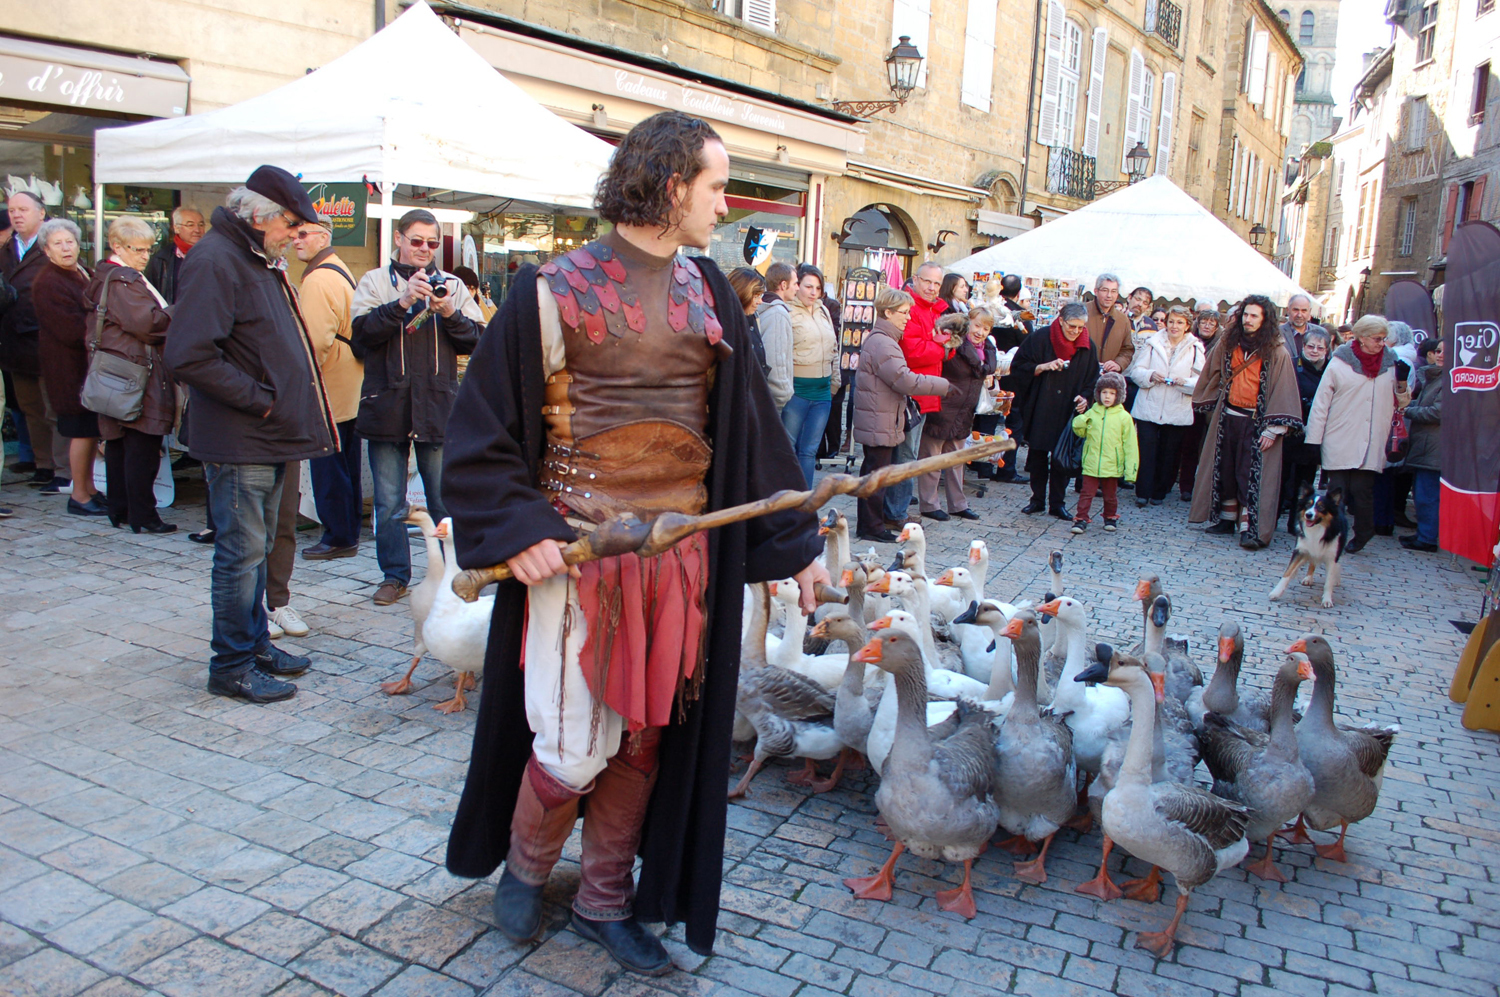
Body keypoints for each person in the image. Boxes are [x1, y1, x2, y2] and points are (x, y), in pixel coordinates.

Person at [440, 111, 825, 970]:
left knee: (647, 732)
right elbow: (479, 436)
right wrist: (522, 526)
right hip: (580, 561)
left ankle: (606, 900)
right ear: (670, 183)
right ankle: (526, 863)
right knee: (576, 743)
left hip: (681, 557)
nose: (725, 206)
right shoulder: (546, 290)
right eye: (718, 186)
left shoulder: (711, 291)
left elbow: (751, 432)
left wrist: (796, 549)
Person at [165, 166, 338, 705]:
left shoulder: (252, 256)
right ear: (261, 215)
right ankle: (232, 664)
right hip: (243, 438)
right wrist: (263, 401)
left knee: (259, 552)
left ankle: (256, 644)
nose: (295, 233)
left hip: (268, 436)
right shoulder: (216, 259)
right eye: (291, 223)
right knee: (241, 554)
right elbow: (189, 354)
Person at [352, 208, 484, 607]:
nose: (425, 249)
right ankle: (394, 576)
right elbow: (361, 337)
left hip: (437, 405)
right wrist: (403, 301)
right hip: (388, 404)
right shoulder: (375, 282)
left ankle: (454, 573)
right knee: (390, 501)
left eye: (431, 242)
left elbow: (478, 340)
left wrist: (450, 313)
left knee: (445, 498)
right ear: (398, 238)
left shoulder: (454, 286)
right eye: (417, 240)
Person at [1189, 294, 1304, 550]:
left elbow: (1283, 389)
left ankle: (1249, 528)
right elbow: (1212, 372)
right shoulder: (1228, 343)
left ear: (1265, 320)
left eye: (1254, 316)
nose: (1248, 320)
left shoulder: (1276, 350)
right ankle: (1226, 520)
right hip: (1228, 417)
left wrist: (1274, 428)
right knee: (1226, 471)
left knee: (1250, 476)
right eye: (1246, 315)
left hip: (1257, 422)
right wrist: (1208, 402)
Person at [85, 216, 175, 533]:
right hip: (133, 372)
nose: (145, 255)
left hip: (120, 372)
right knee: (141, 446)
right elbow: (149, 324)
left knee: (121, 444)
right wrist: (177, 309)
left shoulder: (113, 276)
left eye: (149, 249)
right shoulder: (122, 279)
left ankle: (122, 509)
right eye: (138, 249)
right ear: (118, 247)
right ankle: (143, 515)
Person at [1303, 314, 1412, 553]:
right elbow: (1322, 402)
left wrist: (1402, 383)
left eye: (1384, 339)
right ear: (1361, 338)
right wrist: (1314, 439)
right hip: (1339, 435)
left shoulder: (1392, 363)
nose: (1381, 343)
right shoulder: (1340, 361)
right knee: (1336, 491)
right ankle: (1333, 536)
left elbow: (1402, 403)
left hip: (1372, 437)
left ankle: (1363, 532)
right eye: (1376, 338)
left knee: (1363, 493)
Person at [852, 288, 951, 542]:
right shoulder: (884, 342)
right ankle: (871, 527)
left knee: (876, 472)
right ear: (888, 312)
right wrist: (942, 385)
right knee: (876, 475)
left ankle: (872, 524)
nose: (908, 318)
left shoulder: (884, 339)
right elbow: (904, 380)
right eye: (904, 313)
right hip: (879, 419)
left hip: (881, 417)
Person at [292, 216, 363, 563]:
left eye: (303, 234)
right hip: (347, 380)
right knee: (344, 462)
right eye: (294, 233)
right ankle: (345, 531)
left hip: (330, 382)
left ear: (323, 237)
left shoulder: (318, 279)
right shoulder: (337, 268)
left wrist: (300, 383)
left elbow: (313, 343)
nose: (296, 240)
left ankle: (338, 534)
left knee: (328, 464)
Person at [32, 218, 105, 515]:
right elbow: (69, 330)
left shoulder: (82, 271)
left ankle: (89, 488)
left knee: (88, 428)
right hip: (68, 367)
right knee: (80, 430)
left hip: (84, 366)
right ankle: (79, 495)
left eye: (70, 242)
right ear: (47, 250)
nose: (66, 248)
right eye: (58, 244)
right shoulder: (48, 281)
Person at [1, 190, 69, 489]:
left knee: (54, 407)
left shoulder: (55, 242)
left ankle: (62, 469)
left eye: (23, 209)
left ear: (41, 213)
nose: (16, 215)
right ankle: (42, 464)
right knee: (30, 408)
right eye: (12, 210)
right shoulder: (6, 247)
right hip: (14, 341)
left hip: (45, 338)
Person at [1013, 301, 1099, 518]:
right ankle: (1037, 499)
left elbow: (1092, 379)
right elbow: (1018, 366)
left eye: (1080, 327)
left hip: (1068, 410)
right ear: (1061, 321)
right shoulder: (1040, 338)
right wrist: (1041, 367)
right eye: (1072, 326)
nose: (1076, 331)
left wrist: (1085, 397)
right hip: (1042, 405)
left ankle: (1058, 503)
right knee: (1038, 455)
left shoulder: (1088, 346)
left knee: (1062, 458)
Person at [885, 261, 948, 525]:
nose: (932, 288)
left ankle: (895, 509)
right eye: (927, 281)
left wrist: (941, 345)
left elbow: (948, 345)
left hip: (924, 392)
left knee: (908, 454)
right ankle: (895, 512)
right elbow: (912, 352)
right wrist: (941, 346)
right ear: (915, 280)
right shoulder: (909, 309)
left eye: (936, 283)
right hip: (911, 393)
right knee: (905, 456)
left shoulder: (936, 310)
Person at [917, 310, 993, 522]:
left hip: (963, 411)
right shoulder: (952, 345)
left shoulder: (986, 350)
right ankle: (929, 504)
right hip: (942, 407)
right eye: (977, 326)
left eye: (986, 328)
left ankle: (958, 505)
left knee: (957, 460)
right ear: (968, 325)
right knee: (932, 458)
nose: (980, 332)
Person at [1126, 305, 1205, 507]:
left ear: (1187, 325)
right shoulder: (1153, 343)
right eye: (1171, 321)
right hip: (1150, 403)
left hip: (1177, 406)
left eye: (1180, 322)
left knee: (1169, 452)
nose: (1174, 326)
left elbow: (1201, 381)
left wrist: (1184, 382)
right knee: (1147, 449)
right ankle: (1142, 491)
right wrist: (1150, 375)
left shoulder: (1195, 348)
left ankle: (1159, 492)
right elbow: (1136, 371)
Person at [782, 264, 838, 488]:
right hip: (797, 390)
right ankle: (785, 501)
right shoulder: (786, 311)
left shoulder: (823, 310)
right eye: (808, 286)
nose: (813, 292)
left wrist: (835, 381)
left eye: (818, 287)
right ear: (797, 286)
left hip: (822, 391)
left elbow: (833, 349)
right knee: (789, 448)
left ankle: (804, 502)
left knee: (809, 451)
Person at [1069, 371, 1138, 533]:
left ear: (1118, 395)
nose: (1107, 396)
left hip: (1112, 464)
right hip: (1092, 461)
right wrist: (1081, 419)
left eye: (1112, 393)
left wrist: (1130, 471)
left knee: (1110, 495)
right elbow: (1080, 431)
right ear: (1098, 394)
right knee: (1086, 493)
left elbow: (1130, 445)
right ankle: (1081, 518)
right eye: (1104, 392)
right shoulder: (1093, 412)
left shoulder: (1124, 417)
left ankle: (1110, 516)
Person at [1280, 327, 1331, 531]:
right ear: (1303, 347)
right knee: (1281, 480)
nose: (1314, 351)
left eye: (1320, 347)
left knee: (1305, 483)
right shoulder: (1291, 365)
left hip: (1314, 434)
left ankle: (1297, 522)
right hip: (1290, 432)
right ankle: (1270, 521)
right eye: (1310, 346)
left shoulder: (1331, 369)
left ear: (1327, 349)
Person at [987, 274, 1031, 484]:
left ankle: (982, 465)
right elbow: (1028, 345)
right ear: (1019, 293)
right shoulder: (1018, 315)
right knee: (1014, 422)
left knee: (985, 420)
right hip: (1013, 376)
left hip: (989, 372)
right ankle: (1007, 469)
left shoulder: (989, 309)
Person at [1400, 338, 1443, 552]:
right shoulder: (1435, 377)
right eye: (1438, 350)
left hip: (1435, 448)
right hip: (1425, 445)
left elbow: (1437, 412)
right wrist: (1409, 404)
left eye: (1446, 351)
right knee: (1422, 494)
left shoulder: (1448, 380)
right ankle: (1424, 533)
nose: (1441, 355)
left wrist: (1407, 410)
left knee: (1428, 495)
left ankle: (1427, 538)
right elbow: (1426, 404)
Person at [1177, 307, 1222, 501]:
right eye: (1204, 321)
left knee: (1196, 444)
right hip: (1184, 395)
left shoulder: (1220, 344)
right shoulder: (1189, 341)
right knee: (1182, 442)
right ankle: (1178, 481)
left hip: (1205, 400)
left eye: (1212, 323)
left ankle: (1189, 485)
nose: (1207, 325)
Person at [754, 261, 795, 411]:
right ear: (783, 285)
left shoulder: (767, 308)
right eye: (795, 283)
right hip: (772, 400)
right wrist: (783, 393)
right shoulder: (778, 313)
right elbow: (775, 357)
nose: (797, 287)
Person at [144, 206, 205, 305]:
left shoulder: (213, 255)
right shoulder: (161, 259)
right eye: (190, 225)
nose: (197, 230)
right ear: (176, 228)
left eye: (201, 225)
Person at [1085, 273, 1135, 374]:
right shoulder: (1082, 313)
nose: (1109, 295)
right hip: (1082, 375)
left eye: (1113, 291)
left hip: (1108, 379)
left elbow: (1127, 350)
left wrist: (1118, 364)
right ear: (1096, 291)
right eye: (1105, 290)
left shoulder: (1122, 320)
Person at [1278, 293, 1326, 358]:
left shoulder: (1321, 333)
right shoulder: (1276, 333)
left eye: (1304, 311)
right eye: (1296, 310)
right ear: (1288, 310)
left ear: (1310, 311)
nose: (1299, 315)